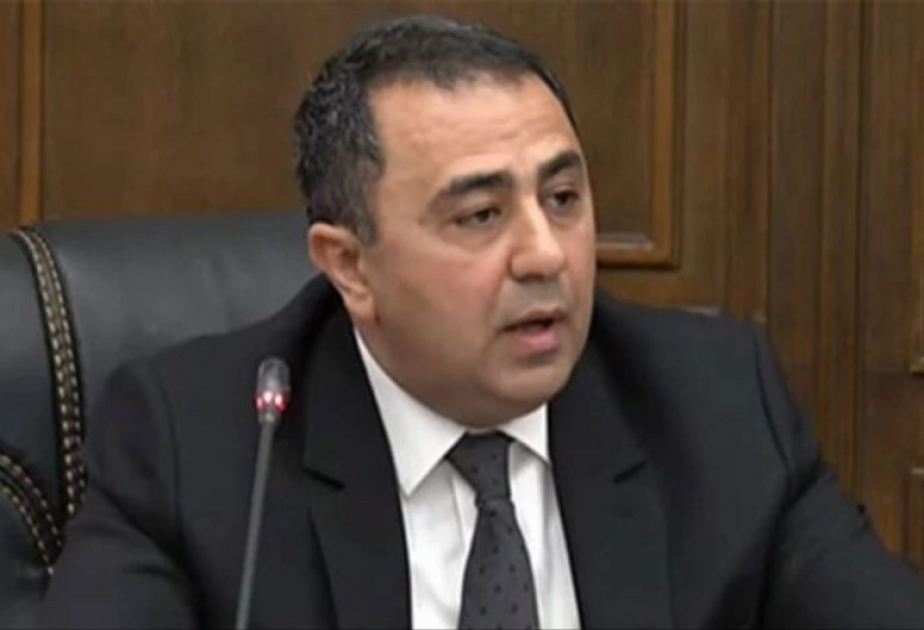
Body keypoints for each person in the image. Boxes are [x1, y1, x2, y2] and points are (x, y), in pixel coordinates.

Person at [41, 14, 924, 630]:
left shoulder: (717, 407)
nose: (546, 255)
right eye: (481, 216)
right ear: (350, 266)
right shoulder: (197, 442)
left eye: (563, 198)